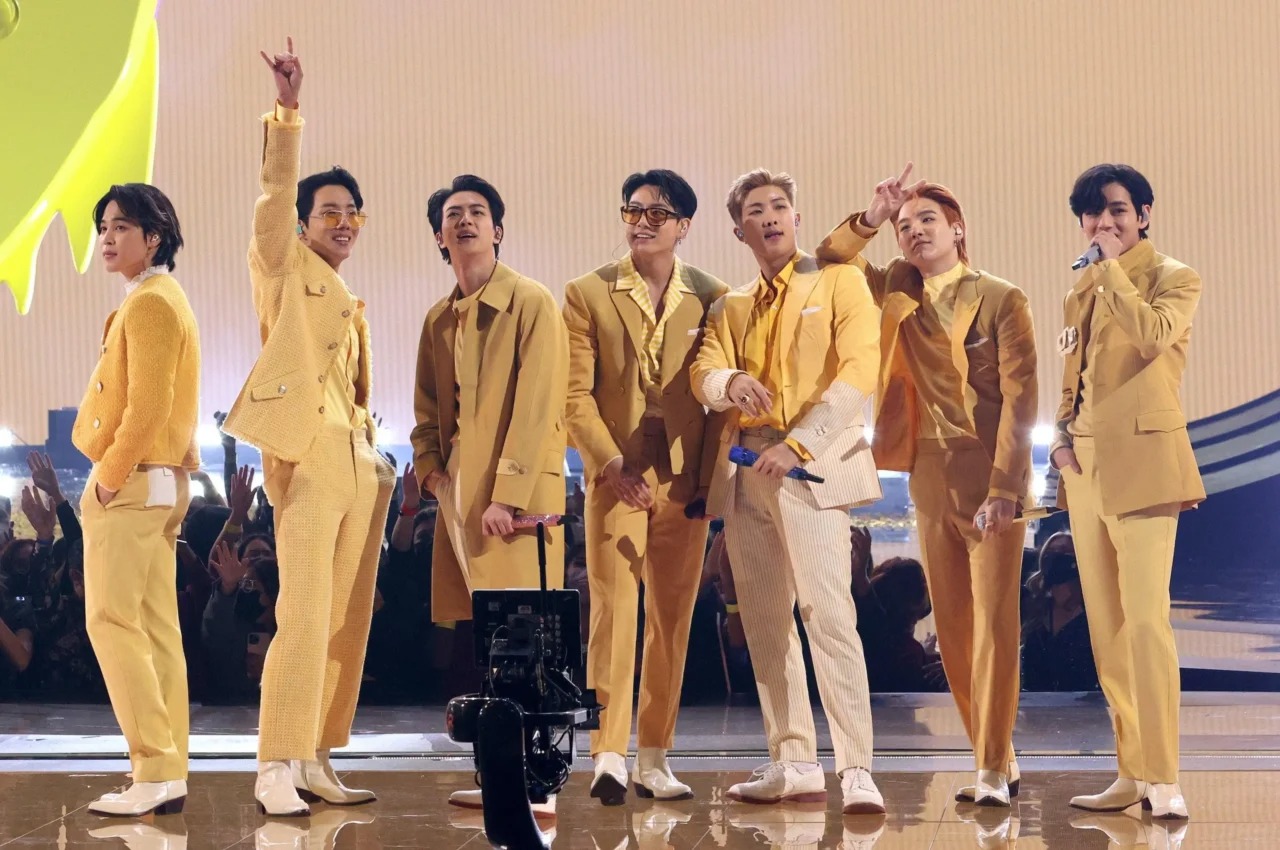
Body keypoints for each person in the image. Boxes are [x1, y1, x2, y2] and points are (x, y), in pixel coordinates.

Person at [817, 164, 1038, 806]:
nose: (914, 232)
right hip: (929, 473)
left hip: (990, 473)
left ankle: (991, 767)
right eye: (905, 225)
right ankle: (993, 756)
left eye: (927, 221)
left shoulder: (1002, 298)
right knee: (956, 626)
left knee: (995, 624)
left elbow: (1022, 401)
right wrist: (872, 216)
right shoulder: (897, 287)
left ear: (957, 228)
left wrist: (1006, 487)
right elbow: (832, 259)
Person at [221, 38, 396, 816]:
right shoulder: (282, 268)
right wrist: (287, 113)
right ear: (300, 225)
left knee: (342, 620)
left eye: (352, 213)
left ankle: (316, 754)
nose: (344, 222)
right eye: (330, 212)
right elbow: (273, 196)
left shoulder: (348, 297)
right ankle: (273, 764)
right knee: (302, 615)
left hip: (358, 459)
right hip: (310, 455)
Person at [691, 168, 885, 815]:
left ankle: (857, 768)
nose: (770, 216)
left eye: (779, 206)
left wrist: (799, 444)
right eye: (755, 209)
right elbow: (703, 370)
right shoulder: (731, 304)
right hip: (746, 469)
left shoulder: (838, 280)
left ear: (797, 218)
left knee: (828, 618)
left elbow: (860, 370)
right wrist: (729, 382)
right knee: (765, 621)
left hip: (810, 466)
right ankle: (795, 760)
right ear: (739, 230)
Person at [562, 169, 728, 805]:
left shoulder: (713, 296)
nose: (641, 223)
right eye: (633, 211)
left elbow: (717, 404)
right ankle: (608, 751)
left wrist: (709, 484)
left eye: (658, 214)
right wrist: (609, 465)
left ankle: (654, 756)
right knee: (612, 607)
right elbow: (574, 396)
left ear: (683, 226)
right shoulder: (588, 292)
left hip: (684, 478)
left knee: (672, 617)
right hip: (617, 471)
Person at [410, 174, 569, 815]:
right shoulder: (438, 318)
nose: (465, 221)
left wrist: (507, 494)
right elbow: (427, 411)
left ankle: (540, 784)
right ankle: (501, 778)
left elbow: (538, 406)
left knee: (531, 641)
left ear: (497, 230)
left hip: (515, 503)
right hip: (459, 501)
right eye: (453, 214)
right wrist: (432, 476)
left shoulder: (530, 302)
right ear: (439, 236)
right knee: (492, 644)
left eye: (477, 212)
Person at [1051, 164, 1204, 820]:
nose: (1103, 223)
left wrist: (1110, 269)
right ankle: (1131, 770)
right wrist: (1060, 439)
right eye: (1092, 213)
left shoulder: (1174, 277)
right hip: (1084, 467)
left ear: (1143, 213)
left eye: (1116, 210)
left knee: (1145, 623)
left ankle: (1164, 776)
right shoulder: (1081, 287)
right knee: (1108, 631)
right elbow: (1074, 371)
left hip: (1145, 461)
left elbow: (1151, 337)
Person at [71, 182, 200, 816]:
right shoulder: (164, 298)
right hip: (161, 482)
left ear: (154, 237)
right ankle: (167, 770)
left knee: (112, 623)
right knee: (155, 630)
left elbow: (146, 407)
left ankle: (152, 769)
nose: (107, 238)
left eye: (120, 227)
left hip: (134, 480)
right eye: (103, 228)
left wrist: (108, 477)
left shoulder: (150, 302)